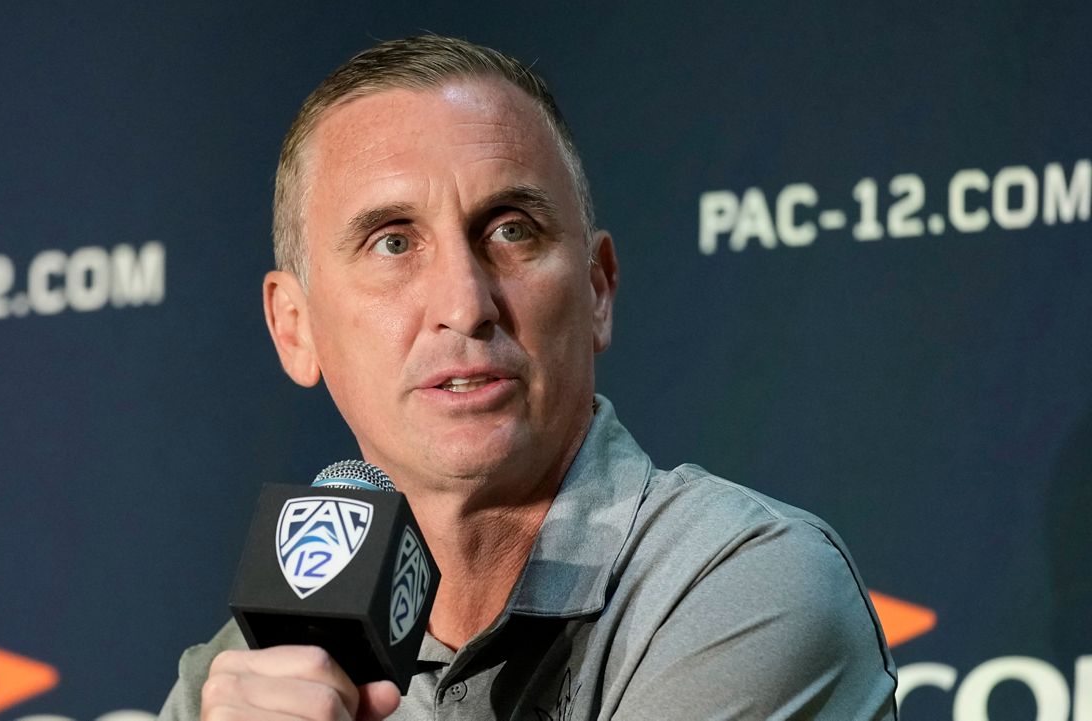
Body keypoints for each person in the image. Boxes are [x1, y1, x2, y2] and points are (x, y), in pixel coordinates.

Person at [159, 35, 897, 720]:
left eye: (511, 230)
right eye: (392, 242)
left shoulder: (745, 586)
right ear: (295, 326)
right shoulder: (239, 682)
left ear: (598, 290)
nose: (465, 304)